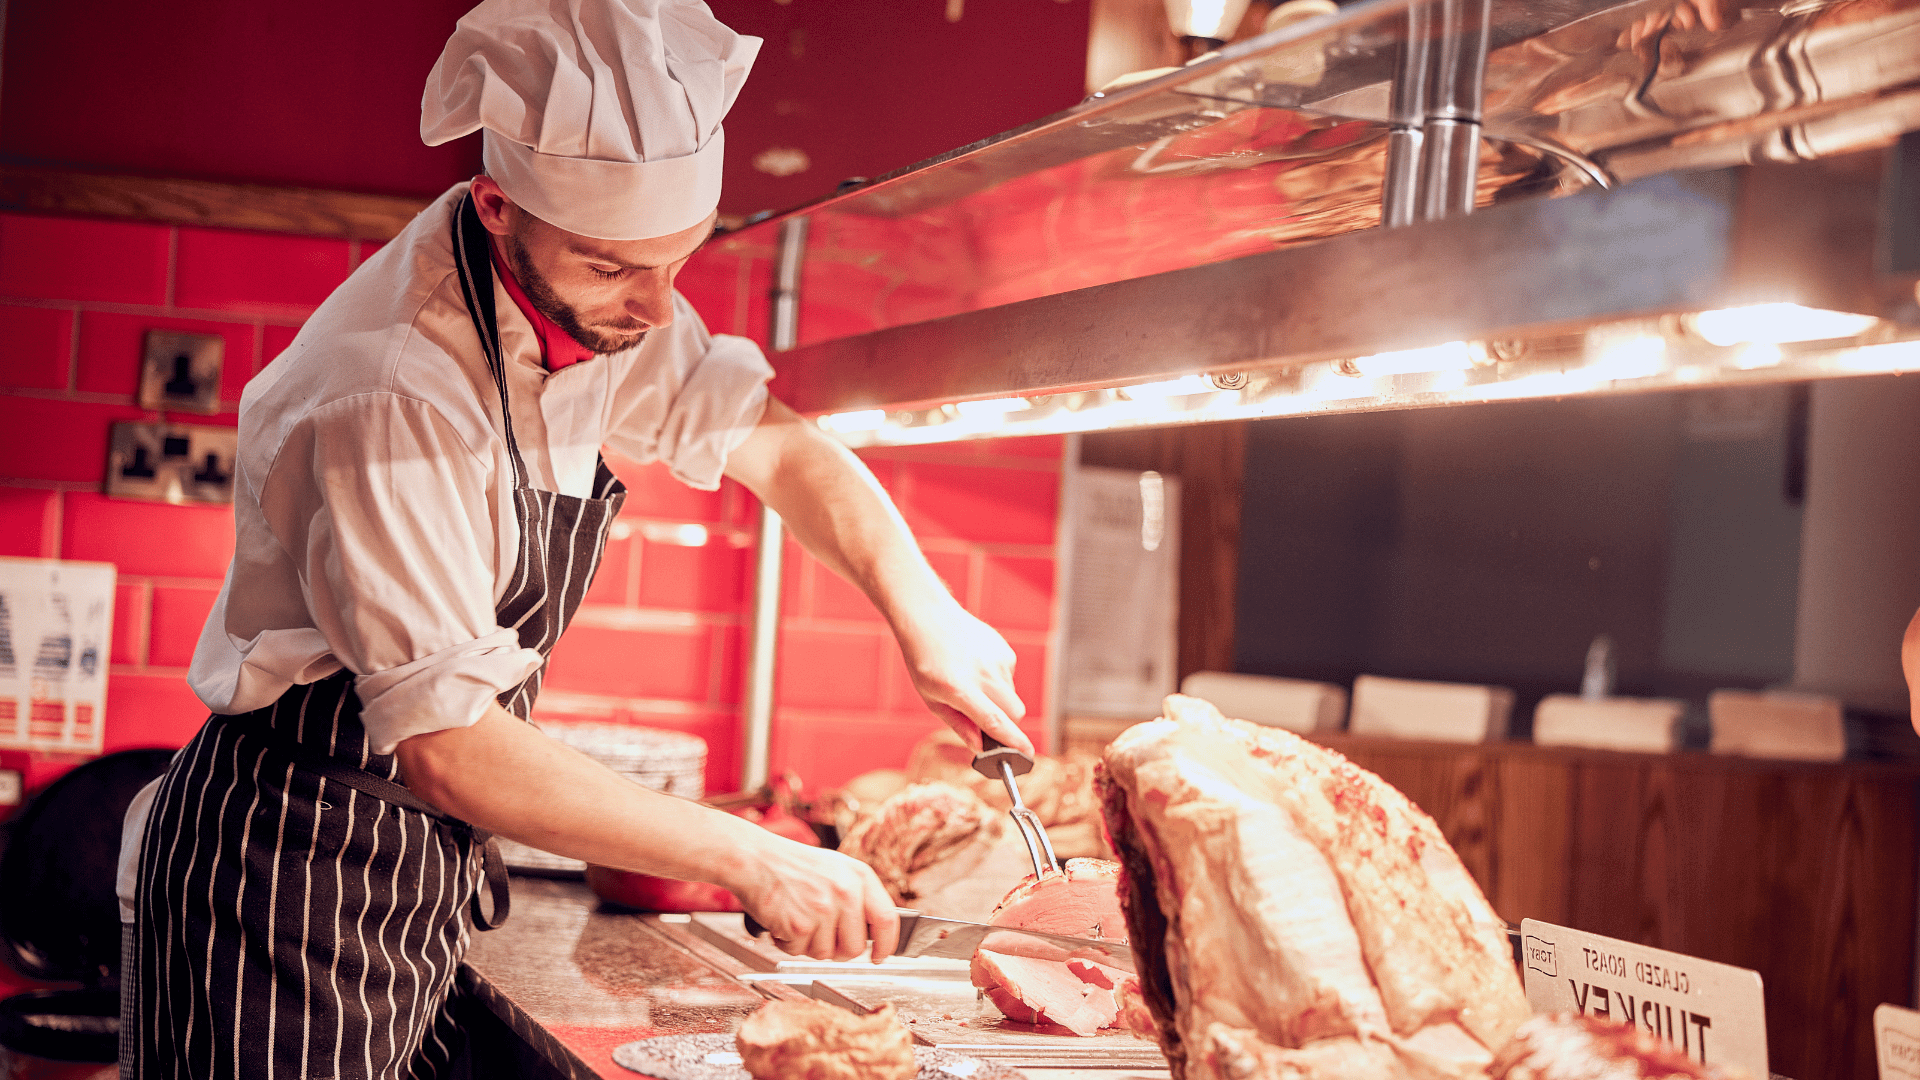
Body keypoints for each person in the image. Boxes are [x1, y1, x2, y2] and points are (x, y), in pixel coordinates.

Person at [115, 1, 1033, 1076]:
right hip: (278, 876)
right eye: (613, 269)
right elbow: (451, 746)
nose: (654, 309)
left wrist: (926, 614)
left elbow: (780, 449)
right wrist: (755, 858)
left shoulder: (596, 297)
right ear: (497, 205)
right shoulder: (392, 388)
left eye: (677, 260)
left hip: (410, 864)